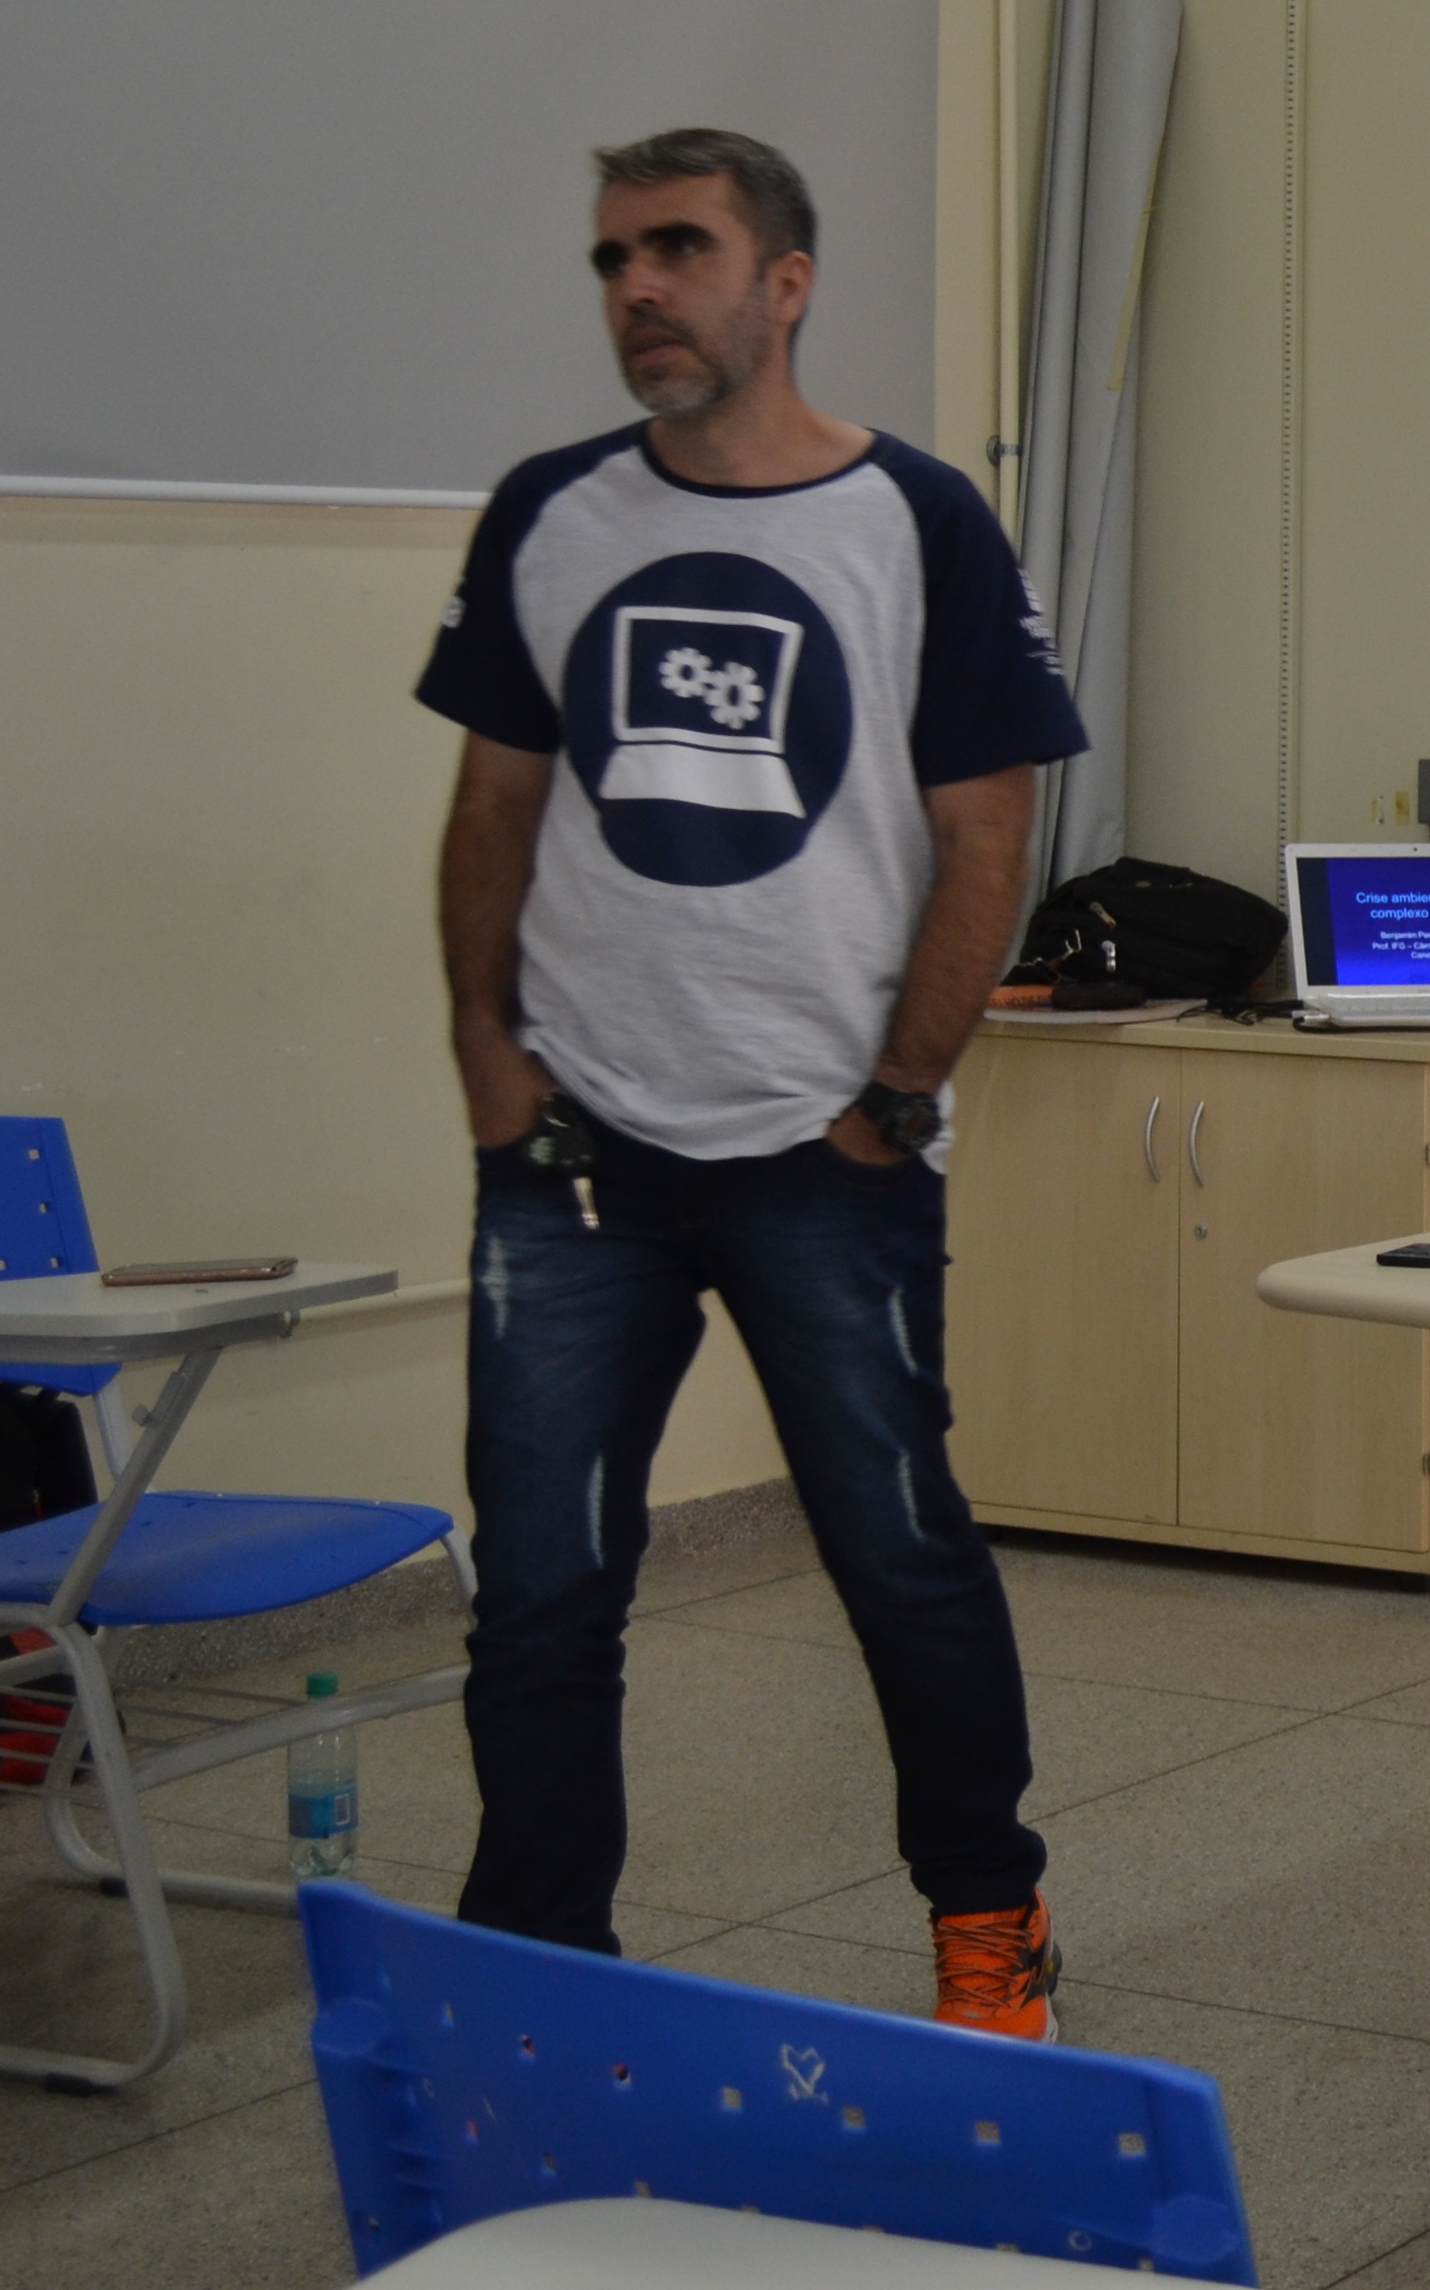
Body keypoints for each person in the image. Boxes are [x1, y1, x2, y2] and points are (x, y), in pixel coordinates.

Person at [420, 127, 1085, 2036]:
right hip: (572, 1155)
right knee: (543, 1592)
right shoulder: (553, 514)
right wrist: (485, 1050)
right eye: (615, 257)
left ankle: (988, 1917)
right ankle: (546, 1978)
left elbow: (986, 835)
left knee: (902, 1560)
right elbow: (493, 799)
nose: (639, 288)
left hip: (823, 1149)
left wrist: (892, 1095)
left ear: (784, 282)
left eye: (680, 250)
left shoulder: (918, 522)